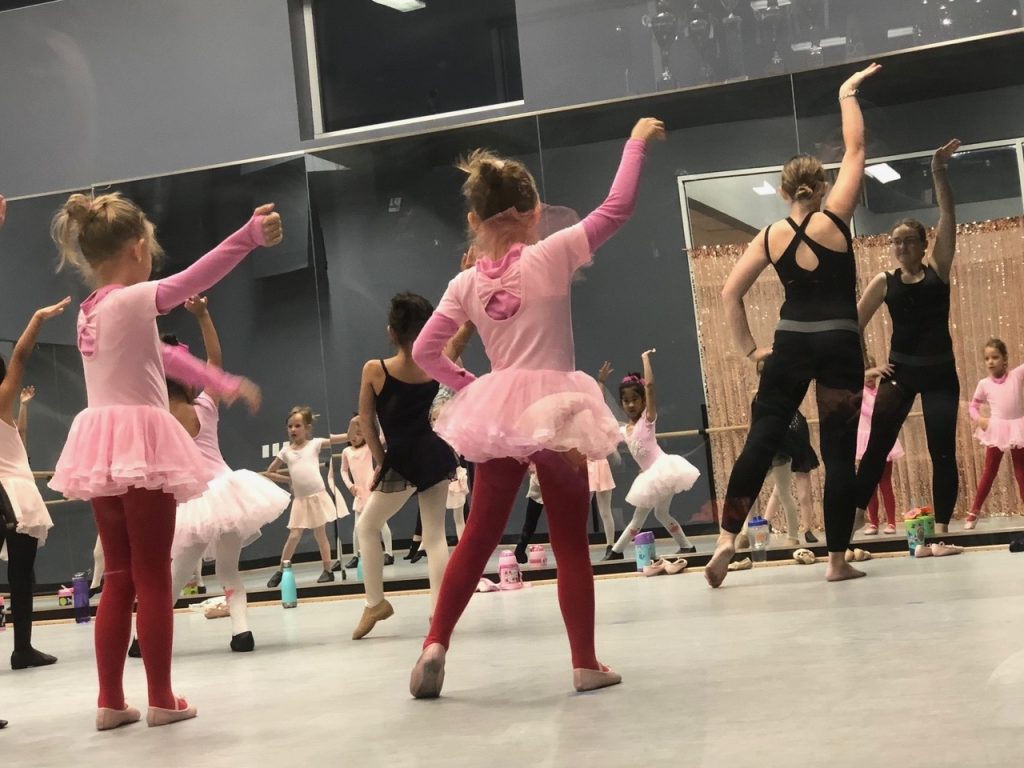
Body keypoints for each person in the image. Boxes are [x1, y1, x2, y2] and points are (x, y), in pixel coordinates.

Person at [409, 117, 667, 697]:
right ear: (534, 212)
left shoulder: (464, 285)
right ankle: (584, 661)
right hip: (559, 408)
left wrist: (470, 384)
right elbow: (617, 207)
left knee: (478, 533)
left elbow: (427, 350)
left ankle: (435, 643)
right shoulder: (551, 253)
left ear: (474, 221)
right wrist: (635, 141)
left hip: (500, 407)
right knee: (571, 539)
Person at [50, 192, 276, 729]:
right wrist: (247, 236)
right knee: (152, 574)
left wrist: (221, 382)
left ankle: (110, 701)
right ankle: (160, 697)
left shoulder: (91, 312)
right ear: (137, 249)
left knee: (122, 575)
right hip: (140, 442)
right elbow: (194, 280)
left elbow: (165, 356)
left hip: (101, 447)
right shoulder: (132, 300)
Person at [708, 63, 882, 587]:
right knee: (836, 451)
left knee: (762, 438)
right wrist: (846, 94)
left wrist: (748, 349)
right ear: (821, 184)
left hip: (789, 344)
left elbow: (729, 293)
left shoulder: (768, 237)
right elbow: (856, 150)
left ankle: (725, 540)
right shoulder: (836, 220)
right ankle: (835, 561)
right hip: (839, 344)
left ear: (785, 193)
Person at [165, 296, 290, 652]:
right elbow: (216, 363)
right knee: (229, 570)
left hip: (194, 501)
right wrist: (204, 315)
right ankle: (241, 630)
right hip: (229, 490)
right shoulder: (206, 404)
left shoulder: (158, 416)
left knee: (176, 575)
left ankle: (146, 638)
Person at [855, 138, 961, 534]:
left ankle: (942, 531)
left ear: (922, 244)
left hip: (940, 375)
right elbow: (854, 325)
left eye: (908, 240)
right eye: (895, 241)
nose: (900, 246)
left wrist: (938, 170)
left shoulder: (939, 269)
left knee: (943, 453)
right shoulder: (884, 281)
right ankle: (852, 522)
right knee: (875, 449)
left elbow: (949, 213)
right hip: (900, 374)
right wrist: (867, 368)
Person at [351, 293, 460, 640]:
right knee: (435, 536)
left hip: (402, 455)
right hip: (435, 452)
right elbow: (460, 338)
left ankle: (375, 602)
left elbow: (365, 421)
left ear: (391, 333)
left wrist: (382, 463)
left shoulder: (375, 369)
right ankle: (439, 612)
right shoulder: (435, 362)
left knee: (367, 528)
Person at [1, 314, 62, 673]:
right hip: (12, 495)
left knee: (22, 577)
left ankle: (23, 649)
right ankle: (21, 648)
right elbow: (20, 357)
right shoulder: (1, 399)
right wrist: (37, 319)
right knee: (22, 578)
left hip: (7, 492)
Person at [605, 351, 699, 559]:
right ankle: (686, 546)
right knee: (660, 513)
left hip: (663, 470)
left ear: (643, 402)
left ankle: (616, 551)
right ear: (621, 404)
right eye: (626, 401)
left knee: (639, 517)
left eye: (635, 400)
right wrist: (600, 383)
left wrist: (645, 359)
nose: (630, 404)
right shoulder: (624, 429)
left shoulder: (647, 420)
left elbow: (650, 387)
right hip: (651, 475)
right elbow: (604, 413)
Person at [265, 406, 349, 587]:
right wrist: (289, 480)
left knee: (321, 534)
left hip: (317, 496)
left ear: (307, 428)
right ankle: (281, 570)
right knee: (294, 535)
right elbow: (270, 472)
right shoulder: (286, 451)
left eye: (297, 426)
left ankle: (327, 570)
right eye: (290, 426)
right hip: (300, 500)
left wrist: (354, 432)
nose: (293, 430)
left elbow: (336, 439)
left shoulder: (315, 444)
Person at [965, 338, 1024, 529]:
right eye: (987, 358)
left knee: (1021, 472)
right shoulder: (984, 384)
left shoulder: (1017, 375)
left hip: (1017, 427)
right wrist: (980, 419)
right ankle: (974, 512)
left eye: (995, 357)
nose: (990, 361)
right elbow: (973, 407)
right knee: (989, 472)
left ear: (1005, 359)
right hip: (997, 429)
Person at [339, 416, 394, 569]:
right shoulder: (346, 451)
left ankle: (389, 553)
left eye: (359, 433)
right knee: (357, 527)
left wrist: (377, 416)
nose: (355, 437)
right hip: (359, 493)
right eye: (353, 433)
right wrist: (350, 486)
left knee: (381, 522)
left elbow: (382, 437)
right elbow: (343, 471)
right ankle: (356, 555)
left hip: (371, 489)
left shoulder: (369, 447)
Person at [858, 361, 905, 535]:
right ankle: (873, 522)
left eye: (873, 375)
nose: (870, 378)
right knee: (869, 485)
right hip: (865, 441)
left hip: (882, 438)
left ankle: (891, 522)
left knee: (885, 482)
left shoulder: (882, 392)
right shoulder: (860, 393)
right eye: (867, 374)